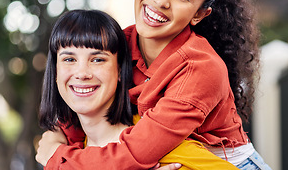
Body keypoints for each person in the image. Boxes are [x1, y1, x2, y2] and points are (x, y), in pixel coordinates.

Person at [36, 0, 271, 170]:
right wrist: (56, 139)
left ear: (199, 13)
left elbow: (135, 153)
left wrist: (57, 159)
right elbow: (77, 116)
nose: (161, 0)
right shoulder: (118, 44)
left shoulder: (201, 68)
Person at [38, 9, 239, 170]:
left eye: (98, 59)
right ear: (54, 72)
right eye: (69, 59)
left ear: (119, 71)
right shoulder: (70, 148)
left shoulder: (160, 148)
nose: (82, 73)